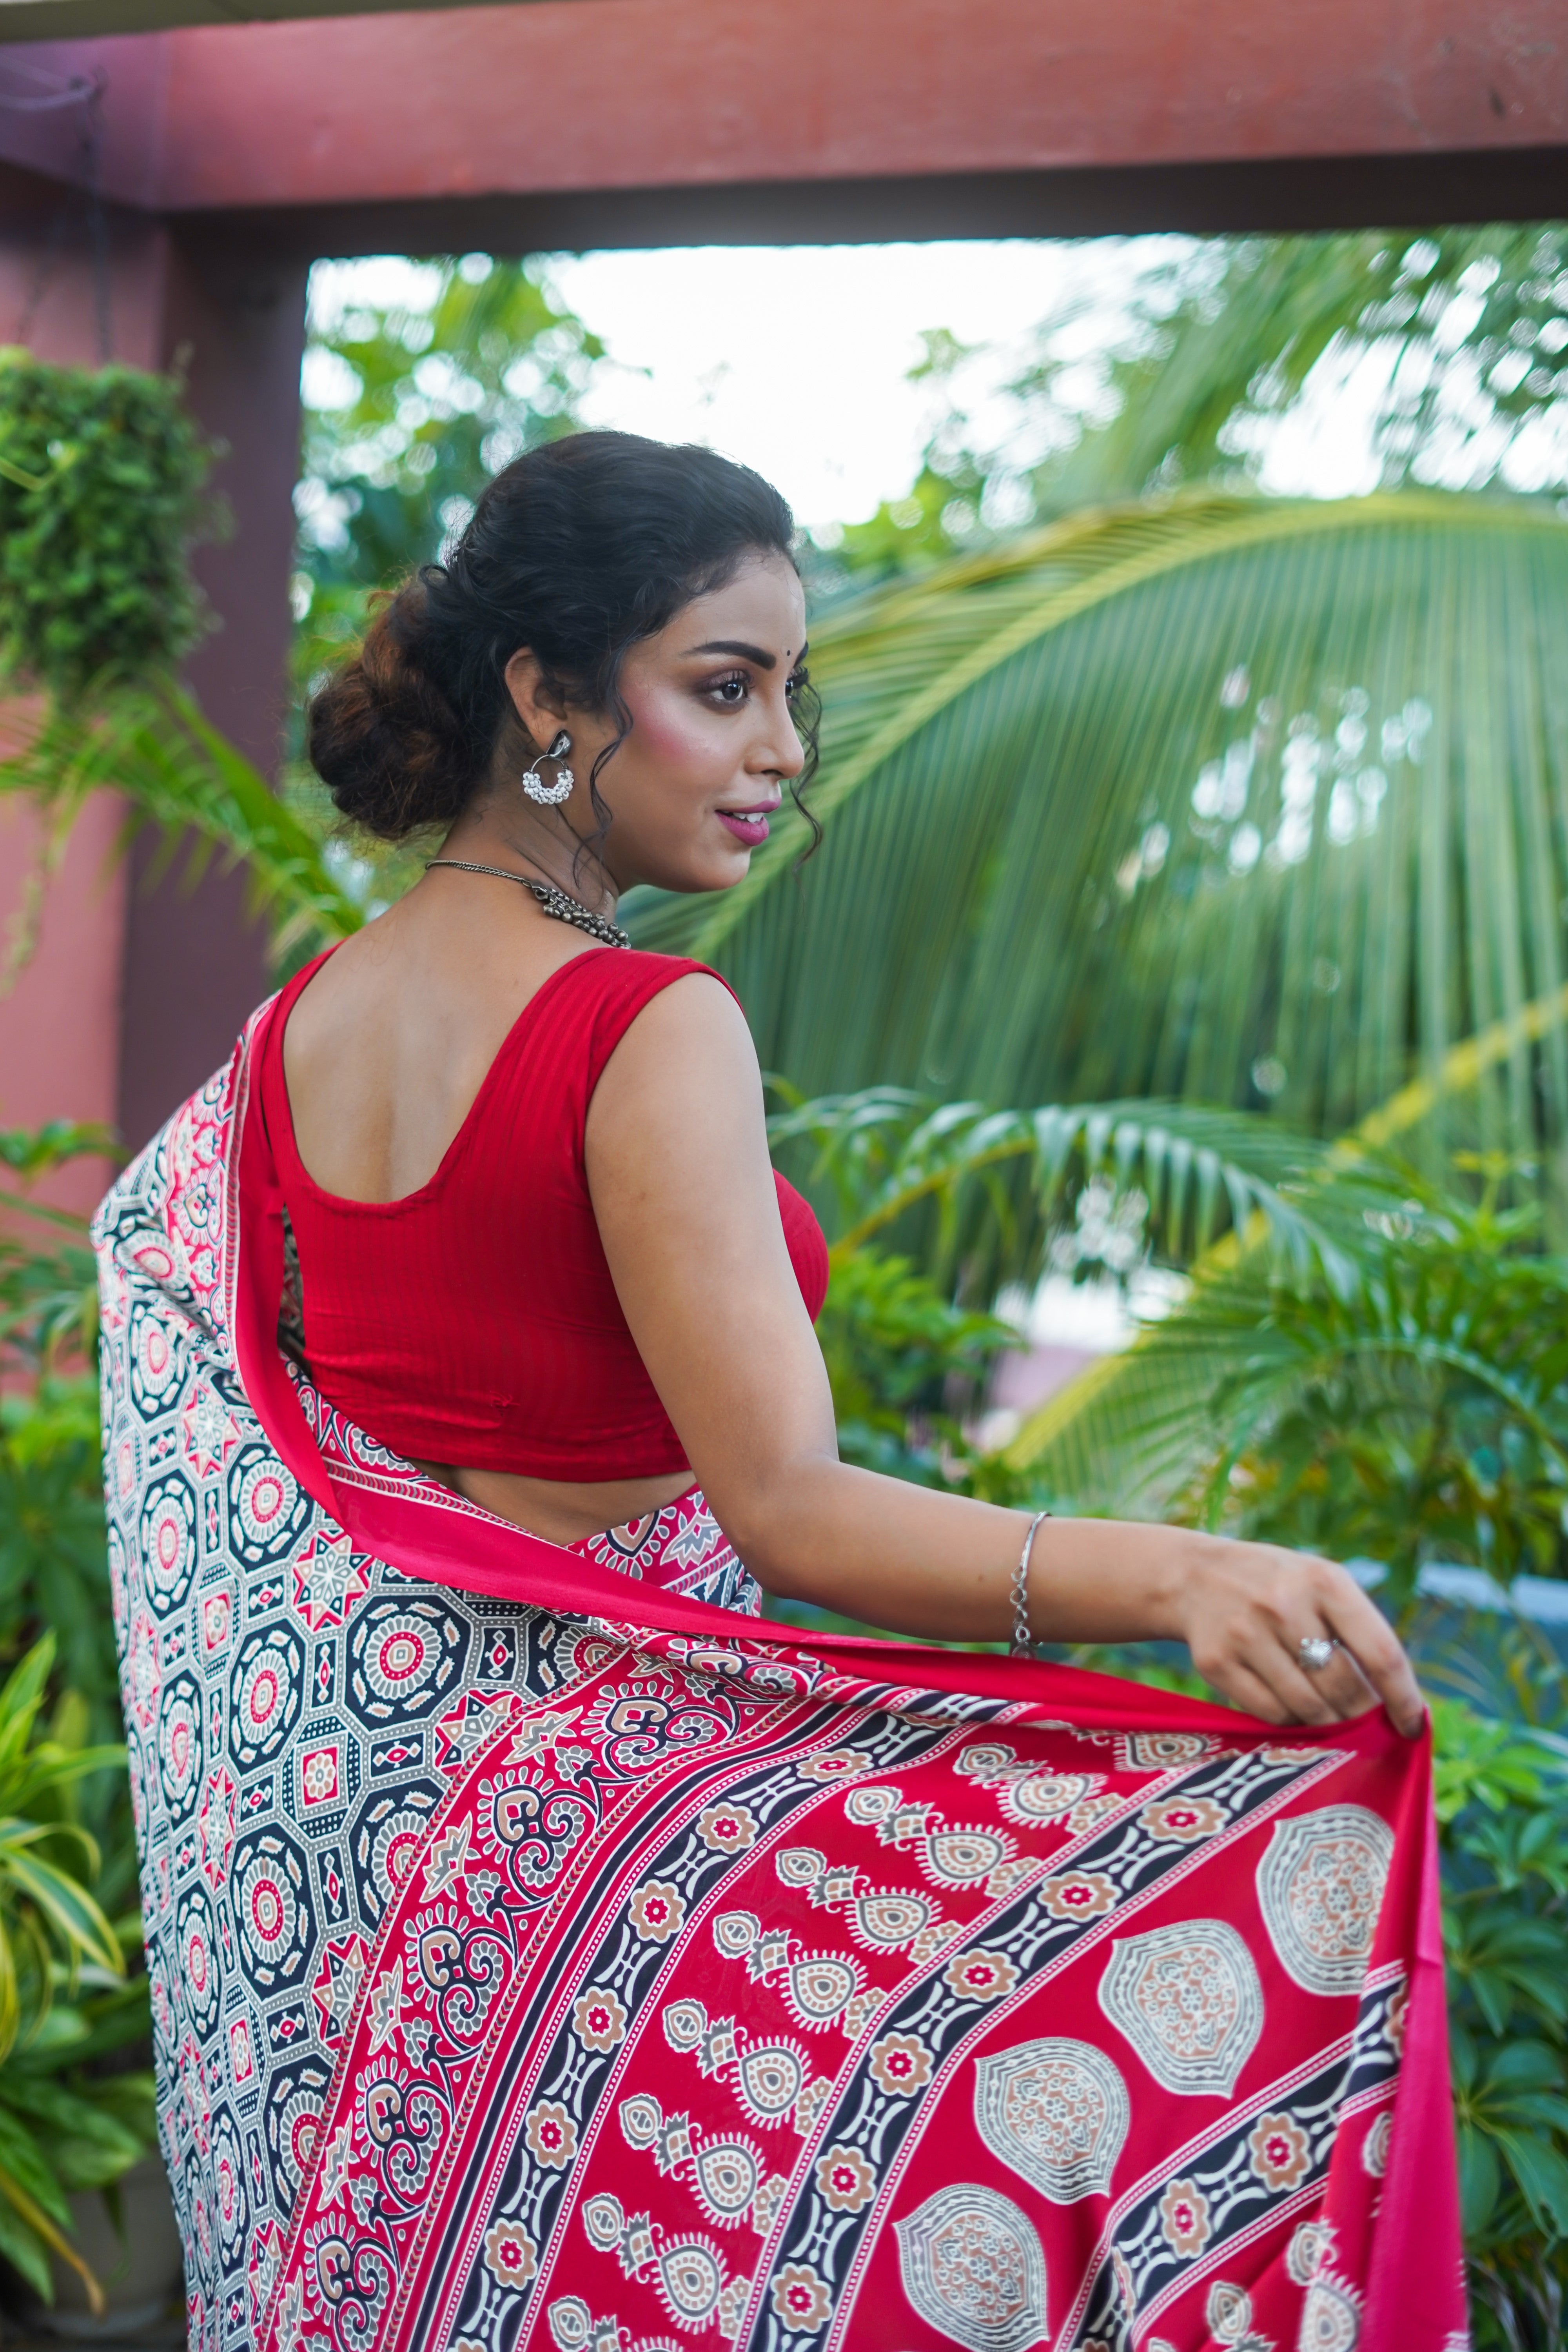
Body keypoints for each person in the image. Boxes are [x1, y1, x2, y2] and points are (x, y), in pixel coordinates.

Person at [98, 431, 1458, 2352]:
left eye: (786, 694)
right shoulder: (641, 1028)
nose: (783, 751)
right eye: (721, 688)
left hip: (370, 1915)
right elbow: (790, 1511)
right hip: (589, 1900)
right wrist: (1179, 1576)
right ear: (550, 699)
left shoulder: (292, 1033)